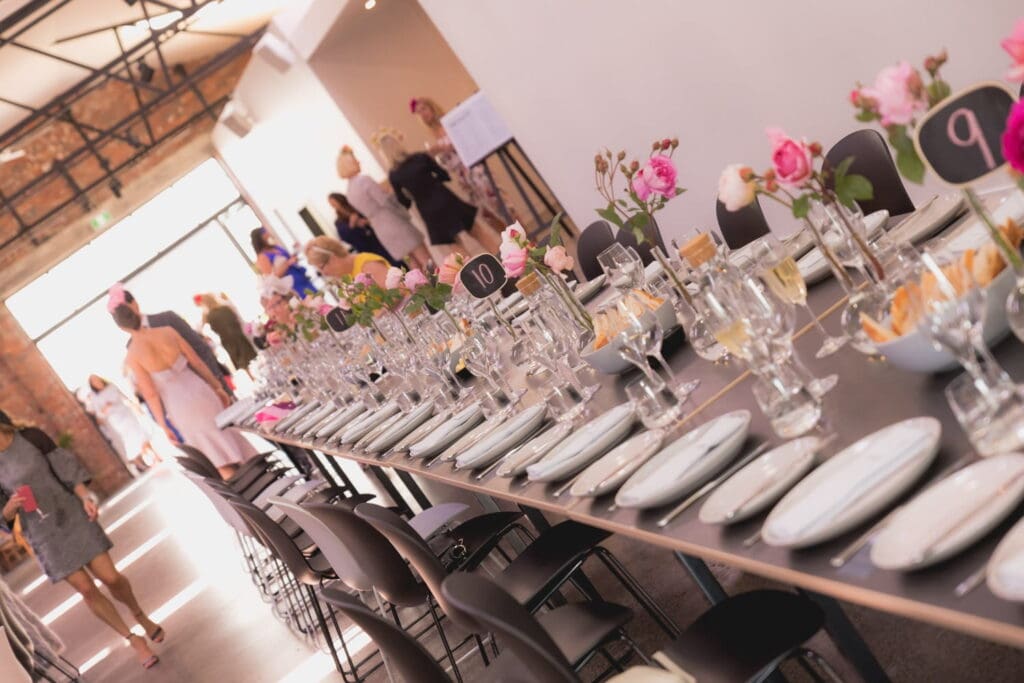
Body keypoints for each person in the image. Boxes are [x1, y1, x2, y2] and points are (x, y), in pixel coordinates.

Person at [0, 410, 162, 670]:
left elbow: (68, 470)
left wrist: (86, 496)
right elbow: (2, 516)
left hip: (71, 514)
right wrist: (8, 509)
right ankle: (134, 640)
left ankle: (140, 616)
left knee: (111, 578)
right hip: (43, 533)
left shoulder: (30, 437)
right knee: (87, 589)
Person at [110, 301, 256, 480]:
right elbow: (197, 362)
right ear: (136, 313)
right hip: (201, 390)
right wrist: (217, 387)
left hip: (179, 406)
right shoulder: (167, 332)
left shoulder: (132, 356)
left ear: (122, 328)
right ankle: (264, 479)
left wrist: (163, 425)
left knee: (214, 454)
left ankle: (248, 495)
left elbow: (151, 394)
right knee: (230, 437)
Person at [375, 128, 503, 255]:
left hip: (428, 210)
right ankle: (501, 259)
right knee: (476, 231)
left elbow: (404, 201)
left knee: (455, 247)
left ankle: (476, 274)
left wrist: (413, 195)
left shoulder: (394, 175)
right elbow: (444, 175)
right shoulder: (420, 157)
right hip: (445, 198)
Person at [106, 284, 232, 396]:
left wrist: (217, 383)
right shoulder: (131, 347)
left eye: (126, 310)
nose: (125, 316)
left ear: (134, 303)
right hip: (179, 401)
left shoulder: (167, 319)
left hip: (209, 384)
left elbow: (200, 348)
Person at [410, 96, 513, 229]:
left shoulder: (449, 123)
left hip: (474, 168)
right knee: (485, 214)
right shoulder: (432, 134)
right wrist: (433, 154)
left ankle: (528, 240)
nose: (422, 114)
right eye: (418, 112)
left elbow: (468, 142)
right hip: (461, 177)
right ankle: (512, 243)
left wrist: (447, 148)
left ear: (432, 107)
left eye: (424, 109)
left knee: (501, 204)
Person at [336, 146, 431, 271]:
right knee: (426, 260)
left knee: (413, 266)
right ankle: (445, 287)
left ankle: (430, 290)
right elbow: (385, 201)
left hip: (380, 229)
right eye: (355, 160)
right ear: (349, 165)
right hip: (393, 221)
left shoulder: (349, 192)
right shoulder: (364, 180)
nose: (359, 162)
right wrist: (404, 212)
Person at [84, 376, 160, 474]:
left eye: (97, 379)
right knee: (133, 440)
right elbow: (99, 415)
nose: (97, 382)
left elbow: (124, 396)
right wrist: (106, 409)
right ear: (92, 385)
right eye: (94, 382)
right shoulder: (95, 398)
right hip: (117, 421)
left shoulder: (111, 387)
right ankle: (149, 458)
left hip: (126, 414)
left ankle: (155, 455)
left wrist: (134, 405)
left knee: (140, 434)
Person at [328, 192, 403, 267]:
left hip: (378, 239)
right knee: (382, 264)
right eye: (330, 203)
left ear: (339, 199)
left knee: (395, 260)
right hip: (364, 246)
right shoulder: (339, 221)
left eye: (333, 201)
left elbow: (373, 217)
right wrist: (352, 224)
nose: (332, 205)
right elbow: (344, 236)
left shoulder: (356, 208)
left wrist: (366, 222)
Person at [194, 294, 257, 379]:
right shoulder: (225, 308)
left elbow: (199, 329)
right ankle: (258, 377)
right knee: (250, 358)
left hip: (228, 341)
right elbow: (237, 319)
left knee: (244, 364)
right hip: (238, 336)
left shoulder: (209, 316)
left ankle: (254, 379)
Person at [251, 228, 317, 298]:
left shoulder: (276, 247)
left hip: (301, 277)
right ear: (260, 239)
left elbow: (288, 258)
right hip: (292, 285)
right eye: (265, 234)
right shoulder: (262, 257)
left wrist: (295, 251)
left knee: (318, 296)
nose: (268, 234)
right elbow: (272, 279)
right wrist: (288, 264)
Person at [304, 236, 390, 287]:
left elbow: (398, 291)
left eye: (322, 267)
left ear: (332, 257)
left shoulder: (367, 265)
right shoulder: (346, 279)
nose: (324, 273)